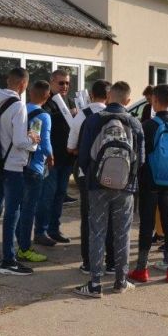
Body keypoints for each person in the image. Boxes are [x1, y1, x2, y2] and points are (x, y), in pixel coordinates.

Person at [74, 81, 144, 298]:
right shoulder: (135, 123)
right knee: (122, 233)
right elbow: (141, 159)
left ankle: (95, 284)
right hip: (126, 187)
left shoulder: (94, 120)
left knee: (97, 231)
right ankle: (121, 281)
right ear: (128, 101)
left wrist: (94, 176)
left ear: (108, 97)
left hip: (97, 185)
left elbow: (83, 155)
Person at [0, 67, 40, 275]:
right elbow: (18, 141)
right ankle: (9, 260)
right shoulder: (18, 106)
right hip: (13, 165)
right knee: (12, 211)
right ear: (23, 84)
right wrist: (32, 140)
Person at [129, 84, 168, 284]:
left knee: (147, 224)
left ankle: (141, 269)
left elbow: (140, 157)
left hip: (150, 182)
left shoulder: (148, 126)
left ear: (154, 100)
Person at [67, 79, 115, 275]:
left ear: (91, 95)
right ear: (109, 96)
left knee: (89, 216)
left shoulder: (83, 115)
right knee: (111, 216)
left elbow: (70, 147)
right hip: (114, 171)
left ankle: (88, 262)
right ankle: (112, 262)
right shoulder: (117, 114)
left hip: (87, 171)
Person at [35, 69, 74, 247]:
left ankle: (54, 229)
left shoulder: (70, 100)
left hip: (67, 158)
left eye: (67, 83)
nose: (64, 86)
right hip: (51, 159)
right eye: (61, 83)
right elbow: (44, 118)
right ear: (52, 82)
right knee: (47, 196)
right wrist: (68, 114)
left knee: (60, 196)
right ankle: (40, 231)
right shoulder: (47, 101)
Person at [16, 81, 53, 264]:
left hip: (17, 164)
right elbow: (43, 142)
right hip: (34, 167)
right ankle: (24, 248)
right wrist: (51, 156)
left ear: (30, 93)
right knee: (29, 210)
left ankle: (17, 242)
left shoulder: (20, 110)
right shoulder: (43, 116)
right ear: (47, 96)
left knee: (18, 208)